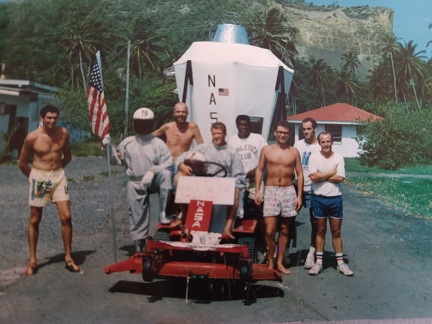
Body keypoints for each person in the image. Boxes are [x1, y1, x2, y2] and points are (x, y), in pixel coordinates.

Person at [18, 105, 80, 276]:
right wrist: (34, 178)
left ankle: (68, 257)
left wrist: (57, 172)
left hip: (58, 176)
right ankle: (33, 260)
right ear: (42, 118)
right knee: (35, 218)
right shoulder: (32, 137)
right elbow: (22, 163)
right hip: (40, 178)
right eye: (49, 117)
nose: (52, 121)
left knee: (66, 216)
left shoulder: (63, 133)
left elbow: (67, 156)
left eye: (55, 117)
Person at [104, 107, 172, 253]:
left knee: (166, 175)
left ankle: (163, 212)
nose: (143, 126)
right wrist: (108, 148)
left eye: (146, 123)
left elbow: (168, 163)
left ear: (152, 124)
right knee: (136, 212)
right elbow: (116, 161)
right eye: (140, 123)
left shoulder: (157, 143)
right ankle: (139, 242)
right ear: (135, 124)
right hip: (135, 181)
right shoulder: (127, 142)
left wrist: (153, 171)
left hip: (153, 179)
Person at [174, 122, 246, 238]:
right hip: (204, 185)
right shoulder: (203, 148)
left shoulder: (232, 152)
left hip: (223, 187)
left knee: (236, 190)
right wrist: (183, 166)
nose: (216, 136)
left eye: (219, 133)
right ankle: (185, 217)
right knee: (179, 177)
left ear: (225, 134)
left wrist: (231, 185)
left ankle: (226, 228)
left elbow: (240, 177)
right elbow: (181, 158)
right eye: (214, 133)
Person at [254, 120, 303, 275]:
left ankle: (280, 262)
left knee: (285, 229)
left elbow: (300, 174)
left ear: (289, 134)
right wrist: (257, 191)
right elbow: (259, 171)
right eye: (280, 132)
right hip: (271, 191)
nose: (283, 135)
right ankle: (270, 261)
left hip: (288, 191)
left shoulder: (294, 152)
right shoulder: (266, 150)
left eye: (285, 133)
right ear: (275, 132)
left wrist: (299, 196)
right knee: (269, 230)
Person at [308, 131, 353, 276]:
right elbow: (313, 177)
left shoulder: (339, 158)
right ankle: (318, 263)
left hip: (335, 199)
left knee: (336, 232)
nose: (326, 144)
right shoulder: (314, 157)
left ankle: (340, 263)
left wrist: (322, 176)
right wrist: (330, 173)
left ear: (332, 142)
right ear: (319, 143)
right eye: (323, 142)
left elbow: (340, 178)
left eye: (328, 141)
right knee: (320, 231)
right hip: (319, 199)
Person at [152, 102, 204, 217]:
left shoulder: (193, 127)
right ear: (174, 113)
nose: (181, 114)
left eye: (183, 112)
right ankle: (166, 213)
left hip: (182, 163)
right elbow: (150, 137)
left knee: (182, 183)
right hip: (166, 162)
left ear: (187, 113)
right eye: (178, 111)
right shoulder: (167, 126)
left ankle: (182, 213)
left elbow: (201, 146)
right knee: (164, 189)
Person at [228, 115, 267, 260]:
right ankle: (233, 240)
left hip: (254, 180)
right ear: (237, 125)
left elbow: (266, 157)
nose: (243, 127)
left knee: (259, 209)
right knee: (234, 210)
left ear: (249, 125)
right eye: (240, 125)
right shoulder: (231, 140)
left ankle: (264, 244)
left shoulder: (258, 139)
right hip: (238, 180)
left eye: (246, 125)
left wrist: (256, 170)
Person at [294, 117, 320, 269]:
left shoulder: (320, 146)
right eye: (304, 129)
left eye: (309, 129)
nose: (306, 132)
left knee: (315, 223)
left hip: (314, 189)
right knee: (287, 221)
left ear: (315, 128)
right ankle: (283, 254)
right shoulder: (297, 144)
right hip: (297, 188)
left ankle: (311, 254)